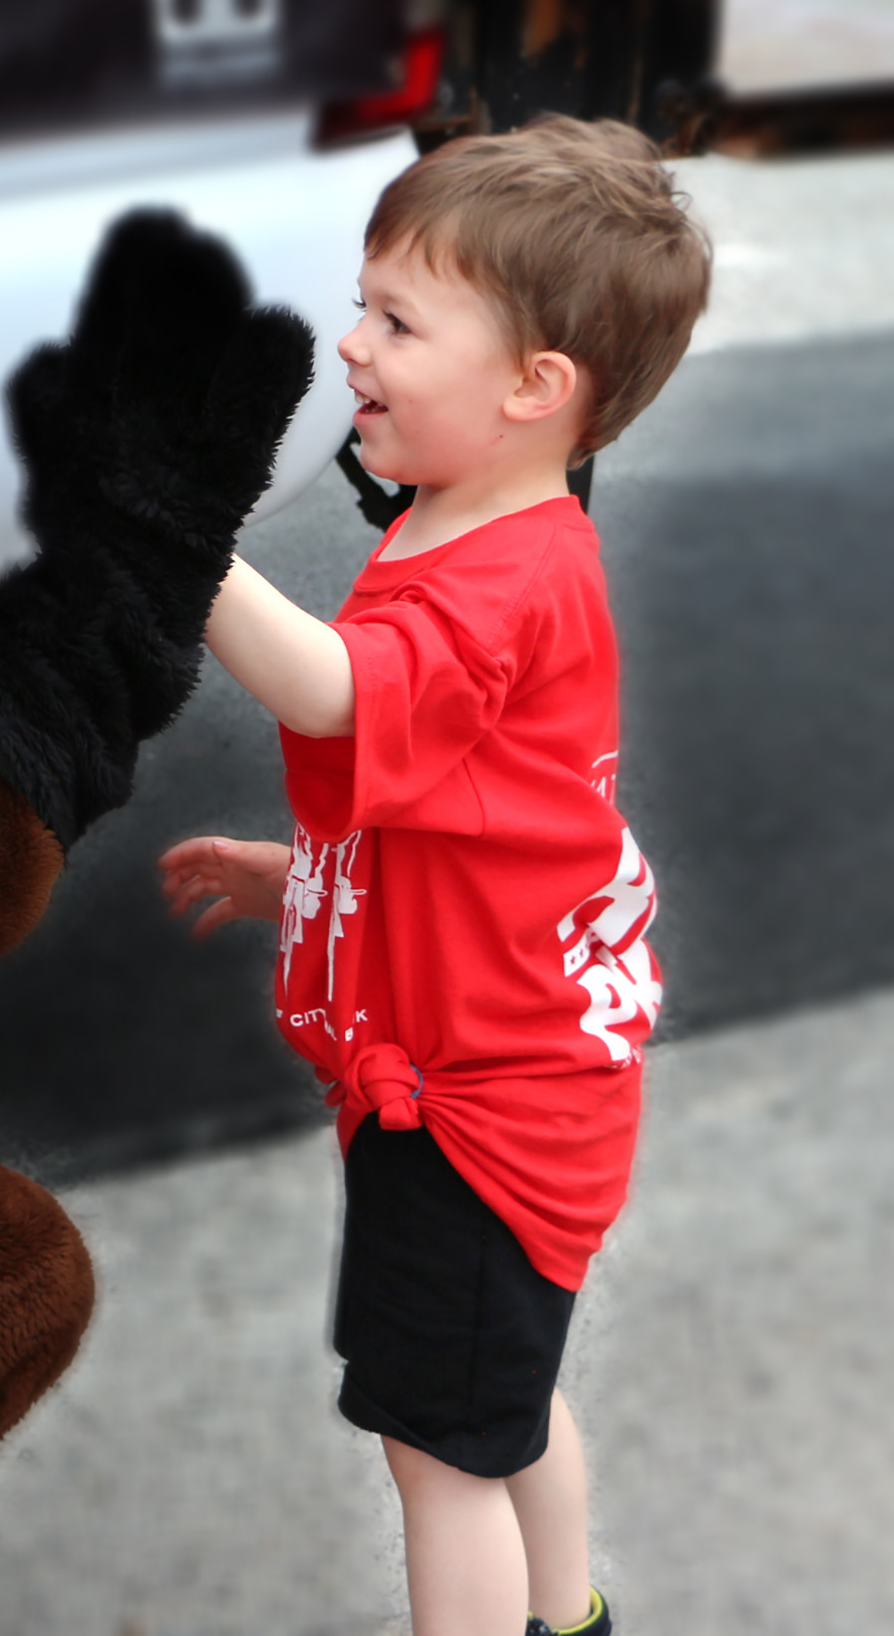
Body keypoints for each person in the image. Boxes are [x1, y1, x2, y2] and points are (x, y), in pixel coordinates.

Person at [159, 118, 708, 1636]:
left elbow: (337, 691)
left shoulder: (504, 574)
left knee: (437, 1451)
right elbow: (462, 798)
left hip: (476, 1114)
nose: (353, 346)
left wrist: (176, 544)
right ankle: (572, 1614)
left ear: (536, 389)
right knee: (500, 1399)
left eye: (400, 320)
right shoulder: (476, 521)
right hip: (504, 1075)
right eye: (365, 303)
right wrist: (309, 874)